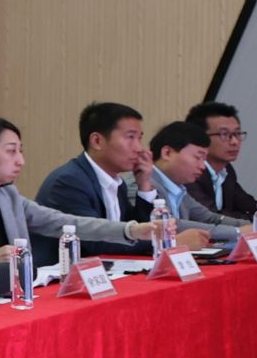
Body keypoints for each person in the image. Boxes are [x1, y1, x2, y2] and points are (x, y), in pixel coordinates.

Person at [0, 116, 182, 266]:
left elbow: (66, 223)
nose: (20, 161)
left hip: (11, 299)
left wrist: (131, 230)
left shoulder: (9, 198)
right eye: (11, 151)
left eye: (20, 151)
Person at [32, 103, 226, 265]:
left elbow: (139, 227)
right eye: (130, 137)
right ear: (97, 141)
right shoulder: (69, 181)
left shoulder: (117, 183)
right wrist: (170, 242)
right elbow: (96, 241)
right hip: (60, 282)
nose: (139, 148)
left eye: (140, 138)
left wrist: (144, 185)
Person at [142, 121, 249, 232]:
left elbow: (210, 218)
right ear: (167, 153)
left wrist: (253, 226)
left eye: (204, 160)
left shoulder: (179, 188)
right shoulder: (143, 184)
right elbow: (170, 225)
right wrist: (238, 232)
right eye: (198, 157)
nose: (202, 166)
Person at [185, 102, 257, 217]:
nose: (234, 142)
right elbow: (211, 216)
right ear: (199, 137)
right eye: (224, 134)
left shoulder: (226, 170)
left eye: (237, 133)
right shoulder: (189, 173)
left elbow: (248, 204)